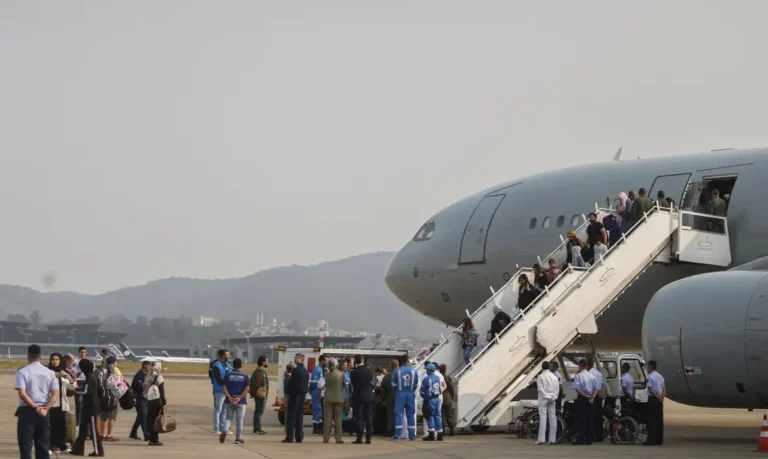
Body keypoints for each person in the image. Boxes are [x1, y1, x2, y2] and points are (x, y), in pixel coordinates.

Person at [16, 344, 58, 459]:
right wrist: (46, 408)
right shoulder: (49, 372)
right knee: (43, 445)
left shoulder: (22, 372)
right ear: (40, 356)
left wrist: (35, 407)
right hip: (44, 411)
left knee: (26, 445)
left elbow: (22, 393)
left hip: (27, 410)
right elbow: (55, 394)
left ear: (28, 356)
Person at [71, 358, 104, 457]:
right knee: (83, 429)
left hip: (91, 407)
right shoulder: (95, 375)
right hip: (90, 406)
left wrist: (75, 390)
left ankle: (98, 451)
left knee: (93, 430)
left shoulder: (90, 377)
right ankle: (78, 449)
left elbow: (86, 391)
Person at [48, 352, 73, 454]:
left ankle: (62, 445)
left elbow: (71, 387)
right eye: (53, 359)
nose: (55, 361)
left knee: (62, 425)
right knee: (51, 425)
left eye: (57, 359)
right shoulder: (48, 372)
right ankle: (50, 446)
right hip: (51, 403)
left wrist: (70, 379)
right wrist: (57, 375)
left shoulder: (65, 372)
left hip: (63, 403)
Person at [220, 358, 248, 445]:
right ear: (241, 365)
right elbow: (247, 388)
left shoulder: (227, 375)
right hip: (241, 401)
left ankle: (225, 430)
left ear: (233, 365)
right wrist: (239, 398)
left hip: (229, 400)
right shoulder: (245, 376)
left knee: (228, 418)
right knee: (239, 420)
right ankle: (238, 438)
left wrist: (229, 397)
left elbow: (224, 387)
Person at [283, 353, 309, 443]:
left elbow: (291, 383)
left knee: (291, 416)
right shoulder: (305, 370)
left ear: (301, 359)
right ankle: (299, 436)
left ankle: (290, 436)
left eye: (297, 358)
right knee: (299, 416)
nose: (295, 359)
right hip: (302, 395)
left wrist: (287, 392)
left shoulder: (296, 370)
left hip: (295, 395)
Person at [571, 359, 597, 445]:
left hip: (582, 398)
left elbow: (577, 389)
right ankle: (589, 439)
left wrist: (586, 396)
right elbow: (596, 388)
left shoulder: (578, 376)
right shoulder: (592, 376)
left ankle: (581, 439)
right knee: (590, 419)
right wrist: (592, 397)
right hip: (591, 398)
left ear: (581, 365)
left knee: (581, 419)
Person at [350, 354, 374, 444]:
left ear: (355, 361)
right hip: (369, 396)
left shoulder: (354, 372)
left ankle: (359, 438)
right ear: (362, 360)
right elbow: (371, 381)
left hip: (358, 396)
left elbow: (353, 384)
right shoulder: (369, 371)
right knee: (369, 417)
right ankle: (368, 438)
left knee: (359, 418)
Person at [322, 358, 345, 444]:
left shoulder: (326, 374)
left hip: (328, 398)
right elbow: (343, 385)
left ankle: (326, 437)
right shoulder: (341, 374)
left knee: (327, 419)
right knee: (338, 419)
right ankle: (338, 438)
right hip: (339, 398)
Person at [144, 361, 167, 447]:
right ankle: (154, 440)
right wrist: (164, 403)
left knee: (151, 420)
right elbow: (162, 392)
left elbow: (145, 389)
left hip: (149, 400)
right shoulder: (159, 377)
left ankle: (151, 439)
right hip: (157, 402)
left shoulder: (148, 376)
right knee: (157, 421)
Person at [535, 361, 559, 445]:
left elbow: (540, 389)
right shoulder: (554, 377)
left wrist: (547, 397)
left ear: (542, 367)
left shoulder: (540, 376)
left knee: (543, 418)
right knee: (553, 418)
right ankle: (552, 439)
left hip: (543, 399)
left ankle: (541, 439)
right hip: (552, 399)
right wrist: (553, 397)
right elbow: (557, 389)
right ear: (549, 367)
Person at [99, 357, 121, 442]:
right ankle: (109, 435)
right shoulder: (115, 370)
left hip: (103, 395)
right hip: (112, 396)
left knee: (103, 416)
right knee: (112, 416)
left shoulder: (102, 370)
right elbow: (120, 380)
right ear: (114, 362)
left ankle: (102, 435)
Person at [211, 349, 232, 436]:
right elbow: (218, 379)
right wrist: (225, 385)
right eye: (227, 355)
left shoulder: (228, 365)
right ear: (223, 356)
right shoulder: (216, 365)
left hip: (227, 391)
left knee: (224, 410)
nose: (229, 356)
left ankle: (223, 428)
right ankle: (216, 429)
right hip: (219, 391)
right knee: (218, 410)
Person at [420, 363, 443, 442]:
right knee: (438, 415)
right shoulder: (438, 378)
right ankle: (440, 435)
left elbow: (422, 391)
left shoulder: (426, 379)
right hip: (437, 398)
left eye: (427, 369)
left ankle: (431, 435)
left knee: (429, 415)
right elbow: (440, 389)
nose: (426, 371)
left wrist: (424, 397)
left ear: (429, 370)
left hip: (429, 399)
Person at [586, 357, 607, 442]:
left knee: (591, 416)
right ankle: (599, 436)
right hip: (599, 396)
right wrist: (602, 392)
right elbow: (603, 384)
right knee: (598, 416)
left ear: (587, 365)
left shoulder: (588, 373)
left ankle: (592, 435)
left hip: (592, 395)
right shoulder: (598, 373)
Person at [646, 360, 666, 446]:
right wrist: (662, 398)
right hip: (660, 401)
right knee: (659, 421)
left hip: (653, 399)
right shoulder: (661, 377)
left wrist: (657, 397)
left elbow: (650, 389)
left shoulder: (650, 377)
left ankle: (651, 440)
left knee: (651, 420)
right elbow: (664, 389)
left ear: (651, 367)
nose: (647, 368)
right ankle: (659, 440)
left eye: (648, 366)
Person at [130, 360, 151, 441]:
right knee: (143, 415)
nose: (150, 368)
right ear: (145, 367)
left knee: (140, 416)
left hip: (145, 398)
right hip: (139, 398)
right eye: (149, 367)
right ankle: (146, 434)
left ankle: (133, 433)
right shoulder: (139, 375)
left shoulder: (147, 375)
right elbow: (140, 387)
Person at [248, 355, 269, 435]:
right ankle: (257, 429)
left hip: (260, 394)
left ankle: (257, 428)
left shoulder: (260, 371)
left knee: (259, 411)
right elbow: (256, 384)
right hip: (260, 394)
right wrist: (254, 393)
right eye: (266, 361)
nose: (267, 363)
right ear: (263, 362)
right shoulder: (259, 372)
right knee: (258, 412)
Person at [309, 354, 327, 434]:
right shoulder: (317, 370)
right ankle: (316, 428)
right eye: (326, 361)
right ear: (322, 361)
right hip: (316, 392)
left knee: (320, 410)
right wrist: (312, 392)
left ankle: (319, 427)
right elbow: (313, 383)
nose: (327, 362)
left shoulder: (322, 370)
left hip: (320, 393)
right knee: (317, 410)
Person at [438, 364, 456, 436]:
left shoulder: (438, 377)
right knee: (448, 415)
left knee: (441, 415)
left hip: (441, 396)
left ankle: (442, 431)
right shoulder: (448, 377)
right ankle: (451, 430)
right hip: (448, 397)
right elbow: (451, 388)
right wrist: (452, 396)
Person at [380, 360, 395, 436]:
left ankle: (391, 430)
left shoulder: (388, 376)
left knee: (391, 415)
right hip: (403, 398)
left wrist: (382, 399)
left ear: (391, 366)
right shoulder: (403, 374)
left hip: (391, 398)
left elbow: (383, 389)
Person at [73, 347, 87, 427]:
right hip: (78, 381)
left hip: (85, 381)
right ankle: (78, 421)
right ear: (79, 353)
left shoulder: (87, 361)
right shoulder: (75, 361)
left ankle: (83, 421)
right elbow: (74, 373)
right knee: (78, 402)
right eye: (82, 352)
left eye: (84, 352)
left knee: (84, 402)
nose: (83, 353)